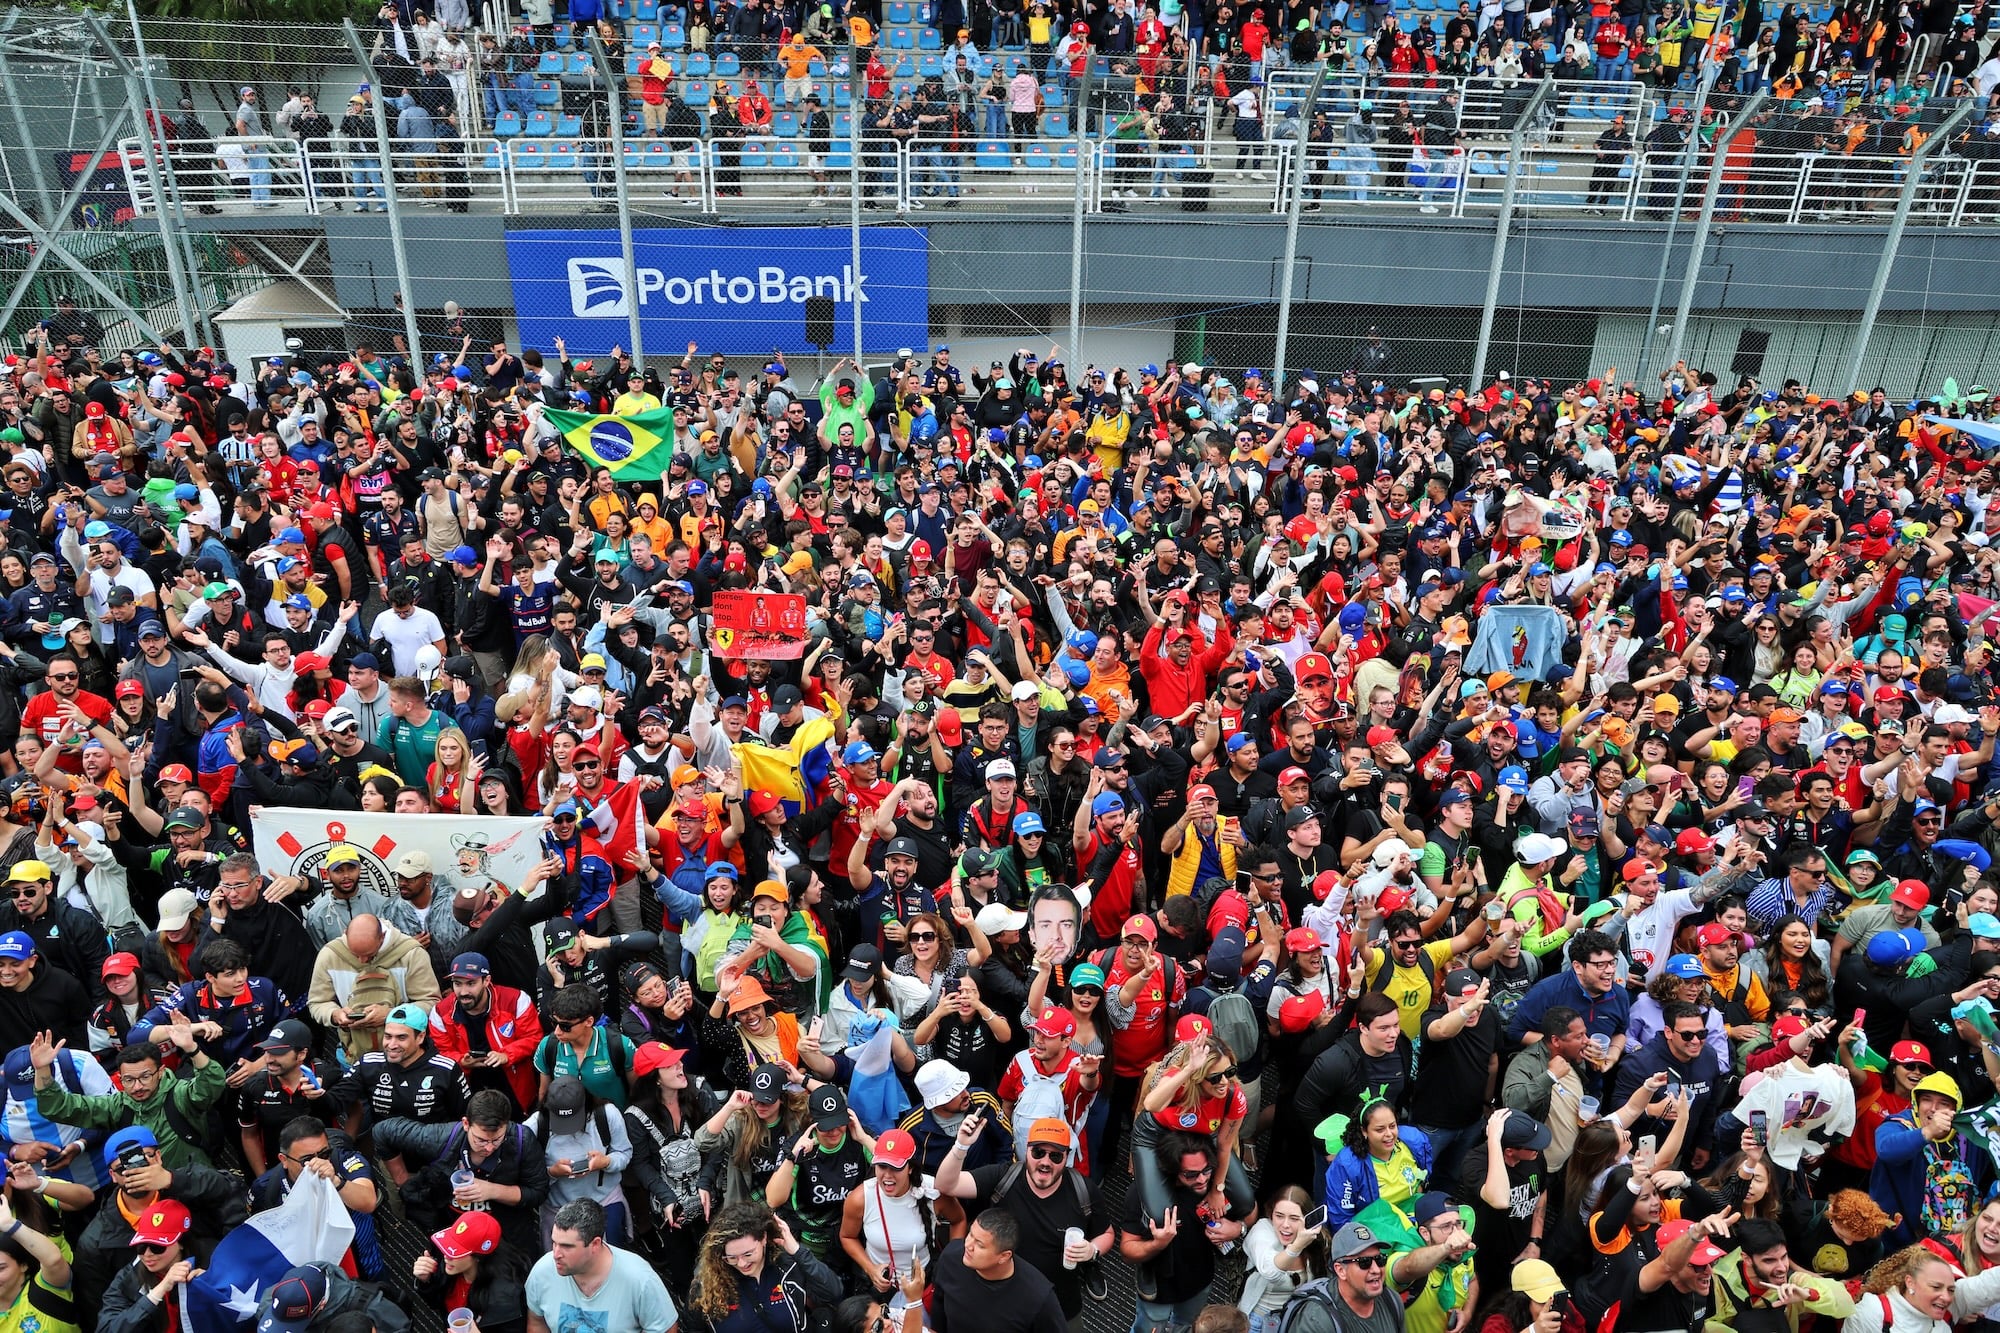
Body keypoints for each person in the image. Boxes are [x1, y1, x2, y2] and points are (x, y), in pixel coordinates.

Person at [523, 1199, 679, 1333]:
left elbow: (665, 1329)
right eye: (554, 1243)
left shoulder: (639, 1279)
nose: (555, 1254)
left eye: (567, 1246)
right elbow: (537, 1322)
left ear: (595, 1244)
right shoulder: (542, 1272)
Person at [929, 1208, 1069, 1333]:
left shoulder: (1038, 1297)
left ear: (1004, 1256)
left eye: (980, 1244)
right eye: (970, 1234)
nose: (968, 1245)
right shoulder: (950, 1258)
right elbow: (938, 1309)